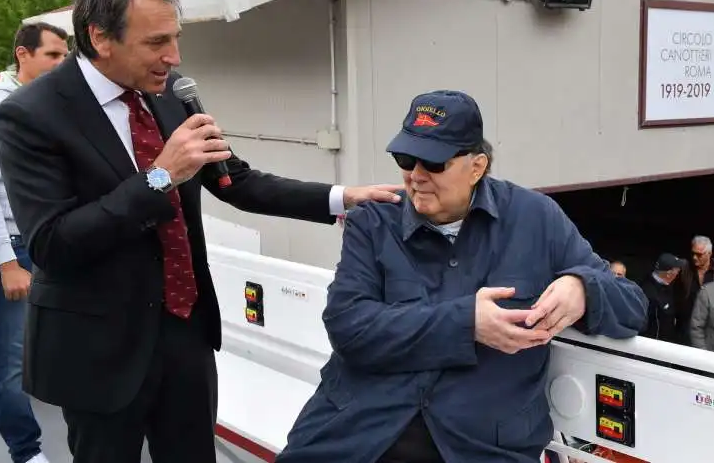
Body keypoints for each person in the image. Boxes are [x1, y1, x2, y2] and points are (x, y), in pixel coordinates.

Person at [0, 0, 400, 463]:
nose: (174, 56)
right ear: (100, 37)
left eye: (176, 38)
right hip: (98, 347)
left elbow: (237, 182)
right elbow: (52, 245)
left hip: (185, 331)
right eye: (156, 42)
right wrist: (160, 177)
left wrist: (339, 197)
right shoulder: (29, 116)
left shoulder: (172, 93)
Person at [275, 89, 649, 463]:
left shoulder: (536, 218)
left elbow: (632, 304)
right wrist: (467, 323)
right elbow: (348, 326)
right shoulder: (373, 223)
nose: (415, 176)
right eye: (405, 159)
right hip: (358, 434)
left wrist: (583, 288)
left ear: (477, 167)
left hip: (479, 447)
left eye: (433, 164)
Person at [0, 22, 68, 463]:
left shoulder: (49, 106)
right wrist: (7, 262)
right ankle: (28, 453)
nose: (63, 64)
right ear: (24, 55)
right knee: (11, 360)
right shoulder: (1, 109)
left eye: (66, 55)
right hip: (14, 247)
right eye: (53, 56)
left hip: (46, 241)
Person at [639, 253, 686, 343]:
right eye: (677, 270)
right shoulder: (650, 294)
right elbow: (652, 328)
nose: (678, 272)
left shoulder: (668, 285)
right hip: (656, 346)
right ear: (669, 274)